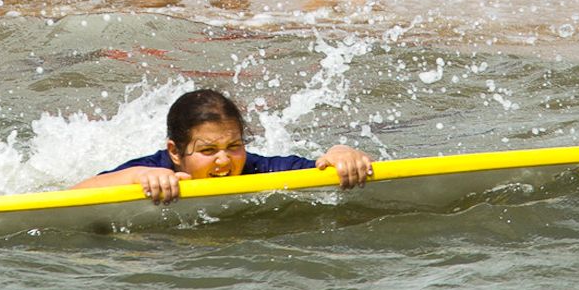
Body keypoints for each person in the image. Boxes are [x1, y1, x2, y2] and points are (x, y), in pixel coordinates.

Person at [72, 88, 373, 204]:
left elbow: (317, 167)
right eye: (207, 151)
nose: (223, 161)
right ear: (176, 151)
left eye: (234, 146)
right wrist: (137, 178)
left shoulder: (254, 168)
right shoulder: (156, 169)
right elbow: (74, 194)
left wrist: (340, 153)